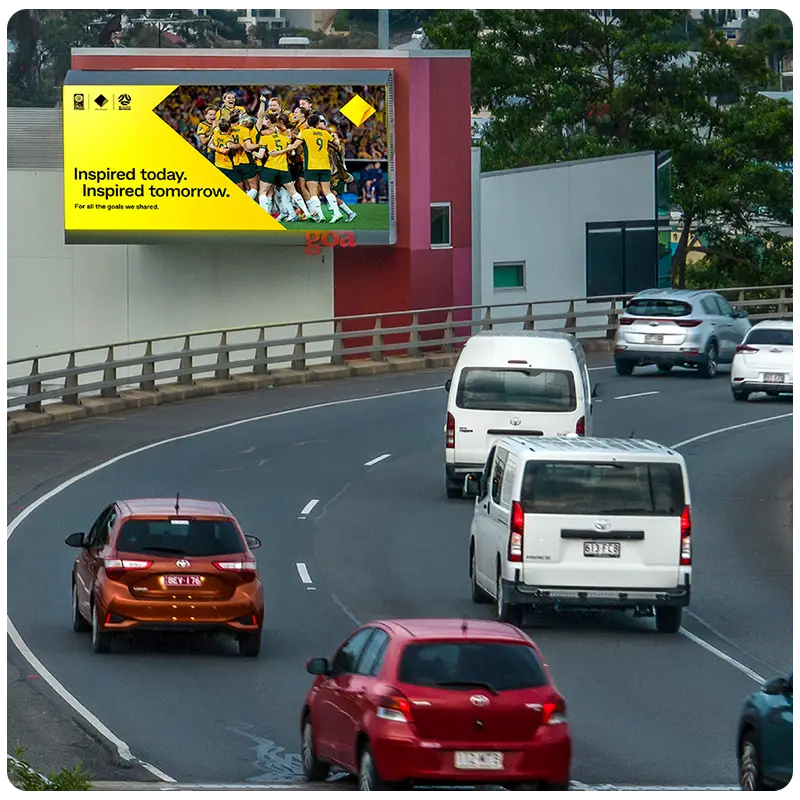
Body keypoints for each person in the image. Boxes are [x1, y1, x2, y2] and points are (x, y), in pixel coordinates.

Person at [252, 114, 311, 222]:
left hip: (270, 168)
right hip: (284, 169)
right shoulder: (285, 138)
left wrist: (253, 152)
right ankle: (307, 213)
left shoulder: (265, 138)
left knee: (263, 192)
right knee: (293, 192)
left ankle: (265, 217)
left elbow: (260, 155)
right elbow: (292, 153)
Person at [290, 113, 343, 223]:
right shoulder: (324, 133)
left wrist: (280, 151)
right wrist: (336, 137)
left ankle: (321, 215)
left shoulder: (305, 132)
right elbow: (337, 145)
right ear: (318, 123)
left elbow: (294, 146)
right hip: (325, 166)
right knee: (327, 191)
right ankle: (337, 213)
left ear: (308, 123)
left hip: (311, 166)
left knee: (313, 193)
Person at [230, 114, 259, 200]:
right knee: (254, 188)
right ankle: (243, 204)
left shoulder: (232, 130)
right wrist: (261, 144)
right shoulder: (245, 130)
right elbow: (249, 146)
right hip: (246, 161)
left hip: (235, 162)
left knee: (247, 188)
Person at [209, 118, 241, 188]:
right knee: (240, 185)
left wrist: (218, 149)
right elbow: (230, 146)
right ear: (229, 128)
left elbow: (210, 144)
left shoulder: (216, 132)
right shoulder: (228, 138)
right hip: (228, 166)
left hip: (217, 164)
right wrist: (241, 144)